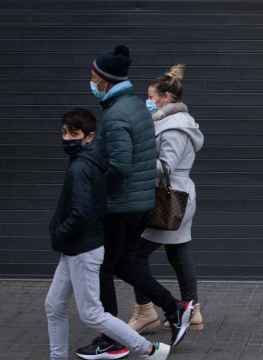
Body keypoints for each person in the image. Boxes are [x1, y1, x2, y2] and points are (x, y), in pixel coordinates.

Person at [75, 45, 193, 359]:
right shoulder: (133, 107)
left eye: (93, 77)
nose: (90, 81)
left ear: (104, 80)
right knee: (124, 263)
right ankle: (174, 308)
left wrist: (93, 191)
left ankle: (113, 338)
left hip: (121, 206)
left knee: (102, 267)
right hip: (138, 203)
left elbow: (121, 165)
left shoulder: (116, 115)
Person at [46, 109, 171, 360]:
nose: (67, 138)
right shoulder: (90, 161)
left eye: (74, 133)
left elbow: (81, 212)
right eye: (64, 132)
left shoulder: (81, 167)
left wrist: (60, 233)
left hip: (81, 249)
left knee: (91, 313)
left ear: (89, 136)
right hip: (75, 248)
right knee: (53, 305)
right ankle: (57, 356)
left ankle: (149, 350)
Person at [128, 64, 205, 333]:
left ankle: (145, 310)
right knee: (179, 253)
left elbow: (166, 166)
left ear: (167, 98)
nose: (147, 101)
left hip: (167, 198)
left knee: (132, 256)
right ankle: (192, 310)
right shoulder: (169, 121)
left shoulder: (175, 127)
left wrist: (136, 159)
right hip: (177, 196)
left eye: (151, 97)